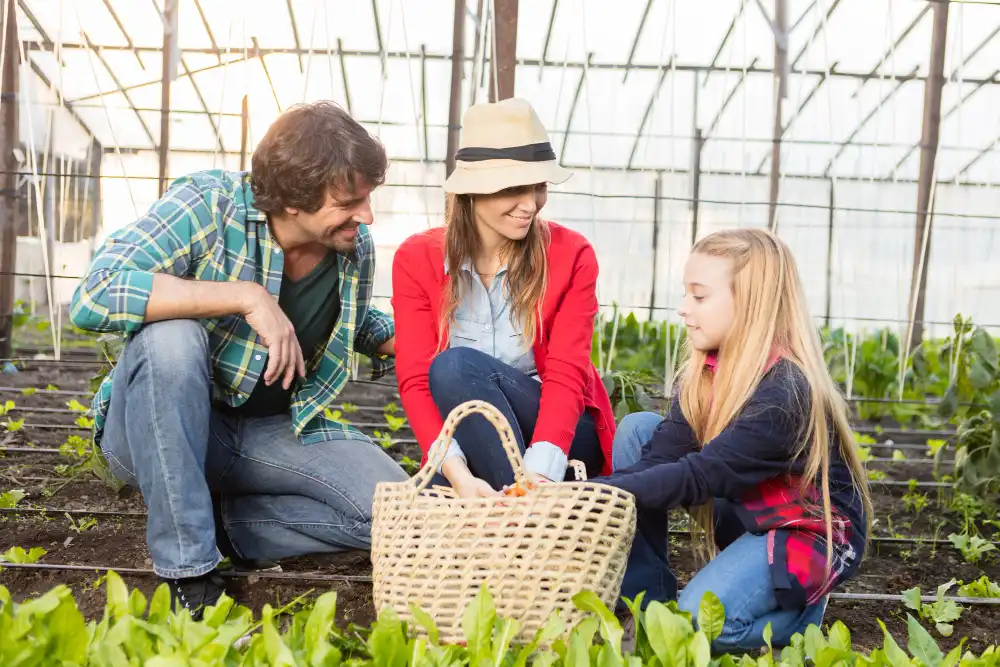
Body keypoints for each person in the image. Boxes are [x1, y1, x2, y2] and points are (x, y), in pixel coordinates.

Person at [69, 101, 409, 619]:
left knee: (399, 512)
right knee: (172, 339)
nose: (366, 215)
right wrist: (247, 296)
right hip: (156, 428)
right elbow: (95, 293)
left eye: (367, 197)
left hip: (262, 430)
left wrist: (420, 343)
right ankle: (190, 569)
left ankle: (221, 522)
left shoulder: (351, 245)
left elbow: (351, 320)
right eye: (350, 201)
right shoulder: (208, 204)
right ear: (293, 200)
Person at [599, 228, 872, 654]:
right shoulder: (708, 374)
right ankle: (647, 603)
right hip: (751, 504)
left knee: (695, 624)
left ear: (750, 304)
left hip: (803, 527)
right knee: (637, 430)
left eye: (699, 296)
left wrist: (587, 491)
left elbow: (701, 476)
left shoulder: (786, 391)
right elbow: (659, 459)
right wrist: (592, 494)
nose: (683, 308)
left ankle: (798, 617)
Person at [391, 97, 616, 497]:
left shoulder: (571, 255)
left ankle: (521, 517)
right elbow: (415, 381)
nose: (530, 205)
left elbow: (566, 376)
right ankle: (515, 522)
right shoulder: (416, 259)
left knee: (456, 367)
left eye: (539, 187)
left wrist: (536, 479)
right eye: (513, 188)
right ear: (472, 191)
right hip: (473, 438)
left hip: (558, 438)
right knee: (449, 376)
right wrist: (457, 474)